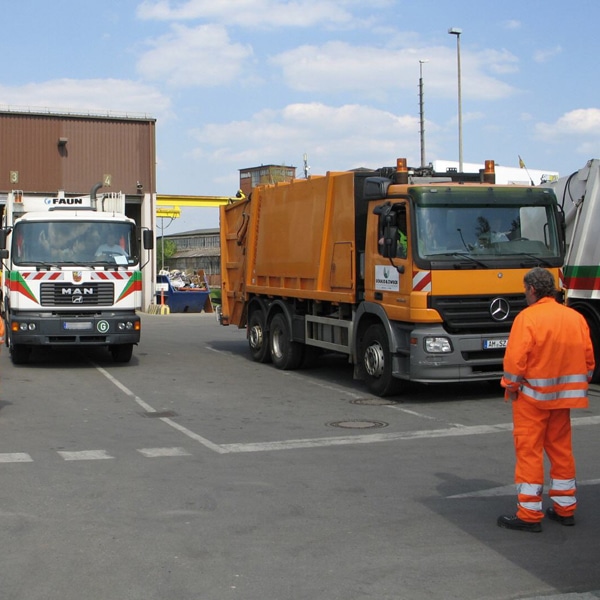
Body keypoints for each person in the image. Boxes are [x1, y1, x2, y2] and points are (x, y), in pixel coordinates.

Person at [497, 267, 595, 533]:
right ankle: (566, 509)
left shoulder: (528, 318)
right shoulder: (575, 318)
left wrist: (511, 386)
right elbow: (588, 363)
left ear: (531, 290)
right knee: (561, 451)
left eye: (524, 290)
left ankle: (529, 513)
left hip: (532, 399)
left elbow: (515, 362)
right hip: (564, 400)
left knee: (529, 452)